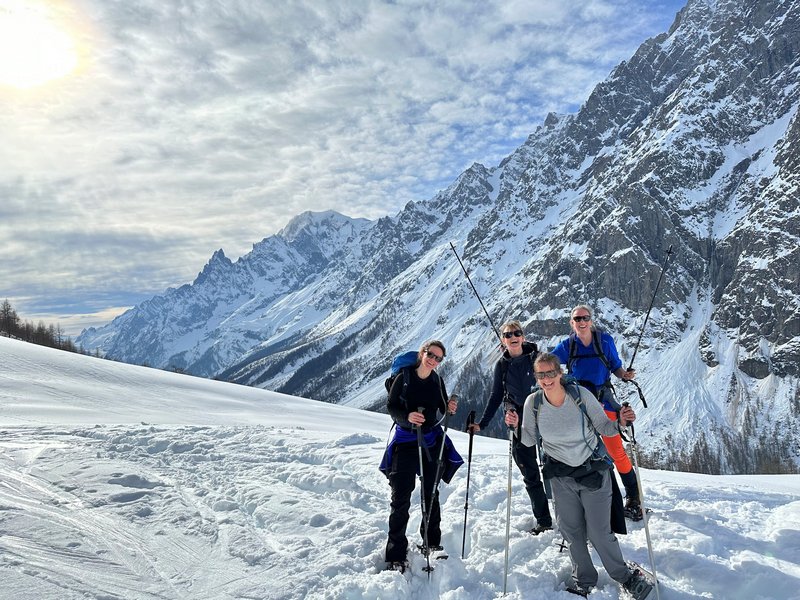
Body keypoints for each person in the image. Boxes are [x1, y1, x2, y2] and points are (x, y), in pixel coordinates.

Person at [506, 352, 653, 599]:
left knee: (598, 532)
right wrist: (516, 425)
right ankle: (583, 579)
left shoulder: (579, 396)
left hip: (593, 472)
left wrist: (620, 423)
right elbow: (529, 440)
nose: (546, 379)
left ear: (559, 373)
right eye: (541, 374)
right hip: (561, 477)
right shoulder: (534, 402)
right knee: (571, 531)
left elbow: (604, 427)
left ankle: (623, 576)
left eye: (550, 373)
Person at [551, 305, 643, 521]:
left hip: (603, 402)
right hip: (579, 405)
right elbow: (548, 364)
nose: (581, 322)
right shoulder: (568, 346)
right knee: (583, 452)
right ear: (572, 323)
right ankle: (596, 498)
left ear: (591, 320)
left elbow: (615, 367)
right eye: (577, 319)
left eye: (585, 318)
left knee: (615, 451)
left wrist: (625, 376)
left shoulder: (605, 341)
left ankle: (633, 496)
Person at [381, 340, 461, 573]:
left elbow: (443, 406)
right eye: (431, 355)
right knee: (401, 498)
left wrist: (451, 406)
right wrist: (408, 418)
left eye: (438, 358)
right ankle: (395, 552)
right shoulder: (403, 377)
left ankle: (431, 542)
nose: (434, 361)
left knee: (431, 493)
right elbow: (392, 406)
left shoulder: (436, 380)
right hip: (405, 443)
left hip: (429, 441)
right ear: (422, 353)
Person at [469, 320, 553, 534]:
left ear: (523, 336)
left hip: (545, 417)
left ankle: (567, 515)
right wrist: (483, 424)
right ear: (503, 341)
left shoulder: (538, 359)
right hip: (518, 422)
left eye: (516, 333)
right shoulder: (502, 364)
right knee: (529, 471)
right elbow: (496, 395)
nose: (513, 337)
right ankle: (544, 520)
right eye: (507, 335)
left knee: (556, 469)